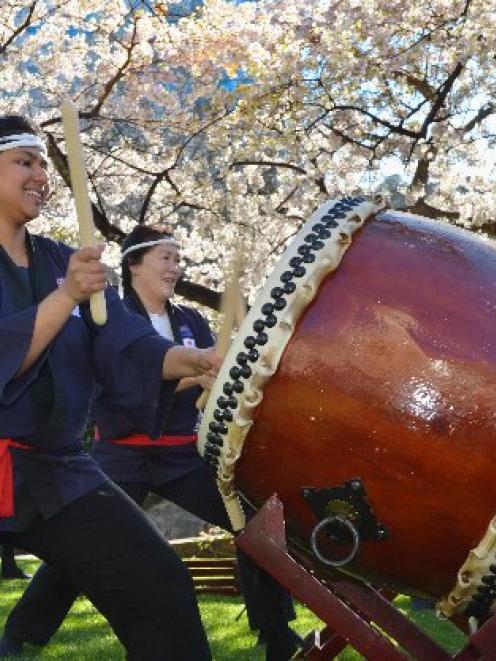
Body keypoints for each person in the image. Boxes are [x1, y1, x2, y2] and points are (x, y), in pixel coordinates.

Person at [1, 224, 301, 661]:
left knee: (239, 530)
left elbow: (142, 357)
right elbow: (114, 384)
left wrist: (205, 364)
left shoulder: (187, 320)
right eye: (166, 257)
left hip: (174, 453)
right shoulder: (91, 296)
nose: (175, 267)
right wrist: (189, 372)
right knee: (72, 559)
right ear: (134, 264)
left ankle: (275, 632)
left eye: (179, 258)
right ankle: (23, 633)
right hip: (121, 453)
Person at [0, 114, 223, 660]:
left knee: (158, 584)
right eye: (24, 162)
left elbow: (124, 345)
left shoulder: (59, 261)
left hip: (55, 468)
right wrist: (66, 297)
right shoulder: (69, 280)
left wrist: (200, 359)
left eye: (45, 166)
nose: (40, 176)